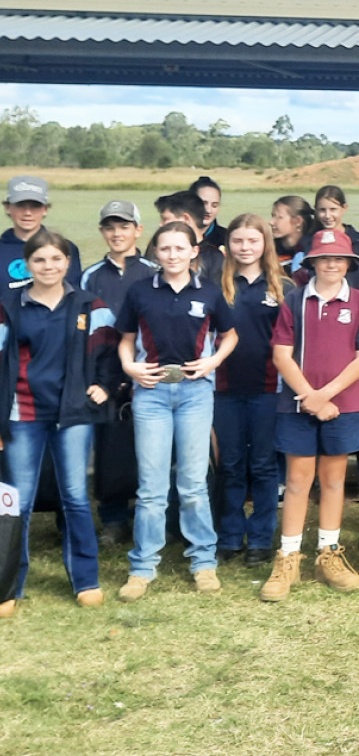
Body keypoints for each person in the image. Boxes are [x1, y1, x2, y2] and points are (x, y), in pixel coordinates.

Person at [114, 221, 238, 602]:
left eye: (179, 249)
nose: (172, 255)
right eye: (165, 249)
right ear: (156, 252)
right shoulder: (139, 292)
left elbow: (230, 335)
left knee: (193, 484)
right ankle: (142, 567)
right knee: (151, 488)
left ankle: (203, 562)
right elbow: (126, 340)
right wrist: (129, 367)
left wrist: (212, 361)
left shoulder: (210, 292)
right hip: (151, 395)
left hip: (194, 395)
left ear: (193, 251)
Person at [0, 230, 117, 616]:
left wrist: (103, 385)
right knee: (19, 502)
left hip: (73, 414)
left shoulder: (90, 303)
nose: (48, 267)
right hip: (24, 414)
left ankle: (86, 580)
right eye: (39, 260)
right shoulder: (8, 306)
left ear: (68, 263)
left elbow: (108, 352)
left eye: (56, 259)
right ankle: (8, 586)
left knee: (75, 497)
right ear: (27, 265)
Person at [262, 228, 359, 602]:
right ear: (311, 262)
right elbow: (282, 354)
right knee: (297, 480)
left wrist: (325, 396)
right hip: (298, 404)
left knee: (333, 479)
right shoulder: (294, 300)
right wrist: (308, 397)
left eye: (339, 258)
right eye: (324, 258)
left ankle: (328, 553)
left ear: (349, 263)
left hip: (341, 405)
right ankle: (288, 556)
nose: (331, 264)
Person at [214, 213, 294, 568]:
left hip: (268, 390)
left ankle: (261, 538)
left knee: (263, 467)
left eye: (252, 241)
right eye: (238, 241)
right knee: (230, 465)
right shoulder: (215, 285)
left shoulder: (284, 288)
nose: (245, 248)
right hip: (223, 389)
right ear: (228, 244)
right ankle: (230, 536)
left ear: (265, 244)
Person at [80, 200, 156, 546]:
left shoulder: (154, 271)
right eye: (110, 227)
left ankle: (148, 516)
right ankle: (112, 519)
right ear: (102, 232)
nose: (117, 233)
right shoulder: (91, 276)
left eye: (124, 226)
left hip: (149, 373)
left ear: (138, 230)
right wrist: (100, 379)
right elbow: (85, 333)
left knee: (149, 450)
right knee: (110, 448)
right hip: (106, 377)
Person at [0, 176, 82, 289]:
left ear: (45, 209)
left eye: (35, 206)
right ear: (7, 207)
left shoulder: (66, 248)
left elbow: (73, 295)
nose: (27, 213)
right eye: (20, 205)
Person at [308, 186, 359, 290]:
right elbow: (300, 278)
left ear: (344, 208)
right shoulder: (307, 243)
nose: (327, 215)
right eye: (322, 210)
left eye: (333, 209)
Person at [153, 191, 224, 283]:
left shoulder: (215, 258)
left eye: (165, 219)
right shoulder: (155, 248)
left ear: (186, 219)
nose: (160, 224)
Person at [270, 195, 316, 275]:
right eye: (273, 216)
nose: (271, 222)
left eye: (279, 217)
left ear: (298, 221)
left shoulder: (313, 250)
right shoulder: (269, 249)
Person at [190, 176, 226, 249]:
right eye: (203, 203)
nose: (208, 210)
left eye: (214, 205)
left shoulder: (227, 238)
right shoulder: (174, 235)